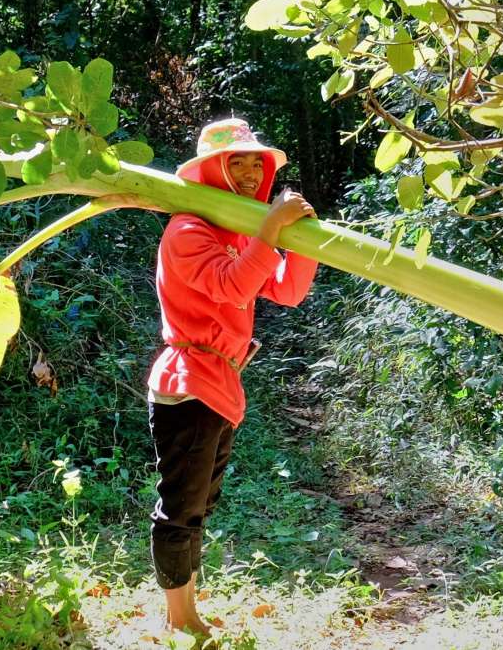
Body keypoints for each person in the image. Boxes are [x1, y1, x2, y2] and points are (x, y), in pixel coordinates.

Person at [146, 118, 318, 636]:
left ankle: (185, 607)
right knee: (180, 506)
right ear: (212, 170)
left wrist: (303, 237)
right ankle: (181, 619)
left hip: (219, 384)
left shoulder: (238, 232)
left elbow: (285, 290)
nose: (247, 173)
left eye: (255, 164)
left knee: (200, 504)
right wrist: (269, 229)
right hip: (187, 382)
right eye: (236, 162)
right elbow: (230, 286)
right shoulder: (188, 230)